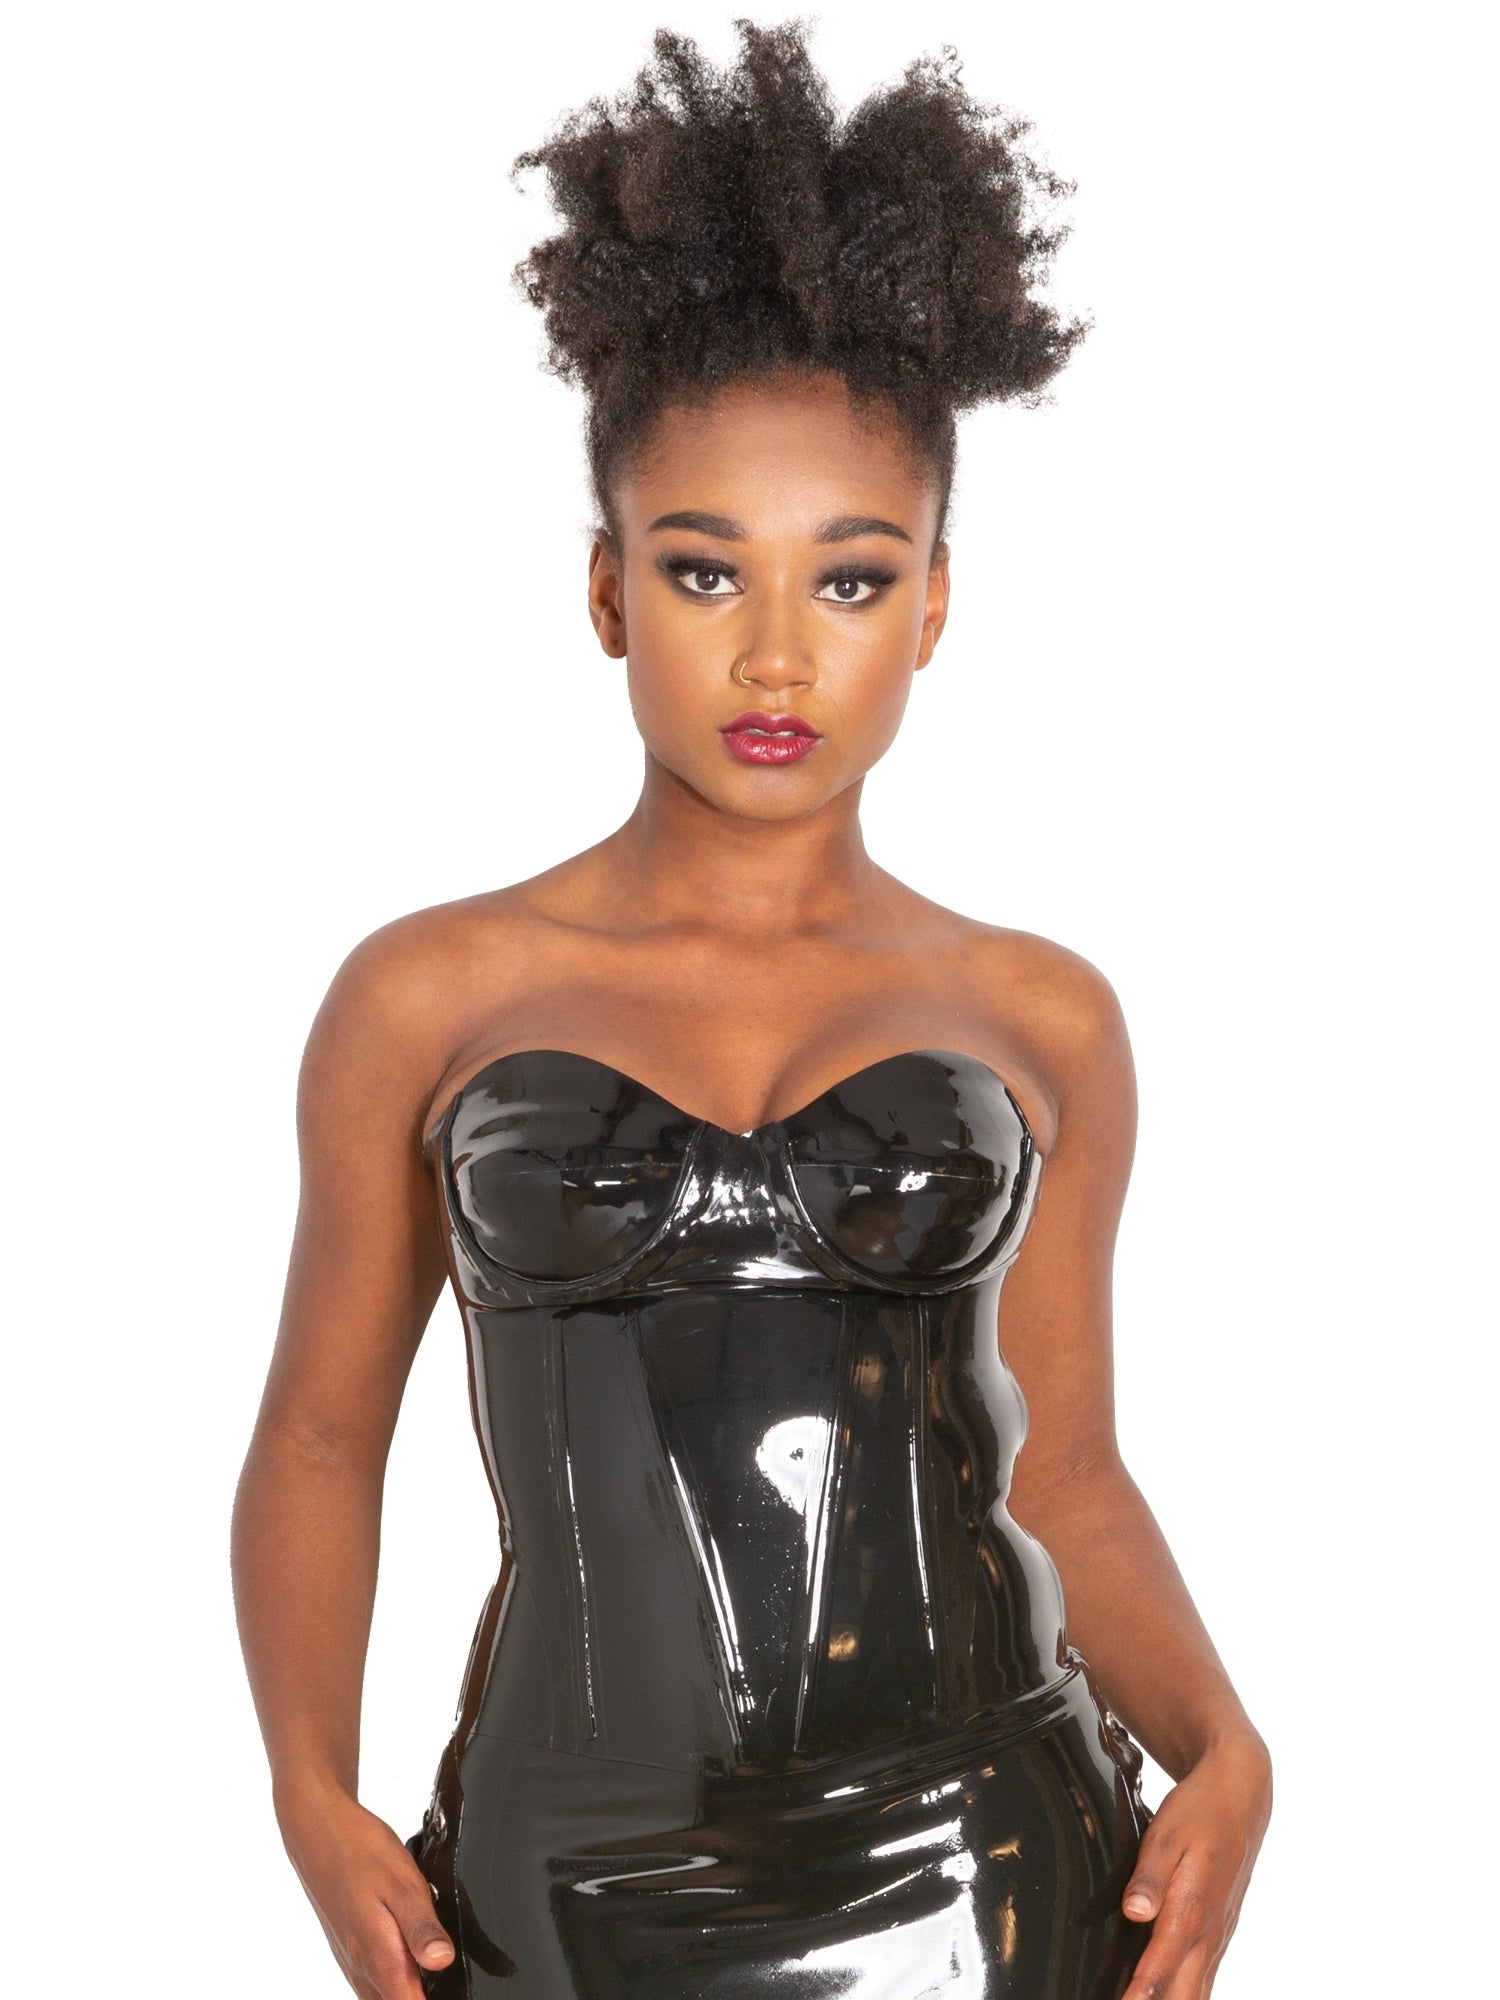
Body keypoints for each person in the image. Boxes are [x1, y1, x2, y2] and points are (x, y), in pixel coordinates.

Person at [231, 22, 1272, 2000]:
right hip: (564, 1876)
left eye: (851, 582)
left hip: (989, 1858)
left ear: (935, 606)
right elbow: (317, 1433)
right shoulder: (425, 993)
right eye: (707, 573)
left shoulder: (1041, 1013)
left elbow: (1069, 1470)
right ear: (608, 591)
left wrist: (1226, 1742)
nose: (779, 654)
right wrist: (305, 1784)